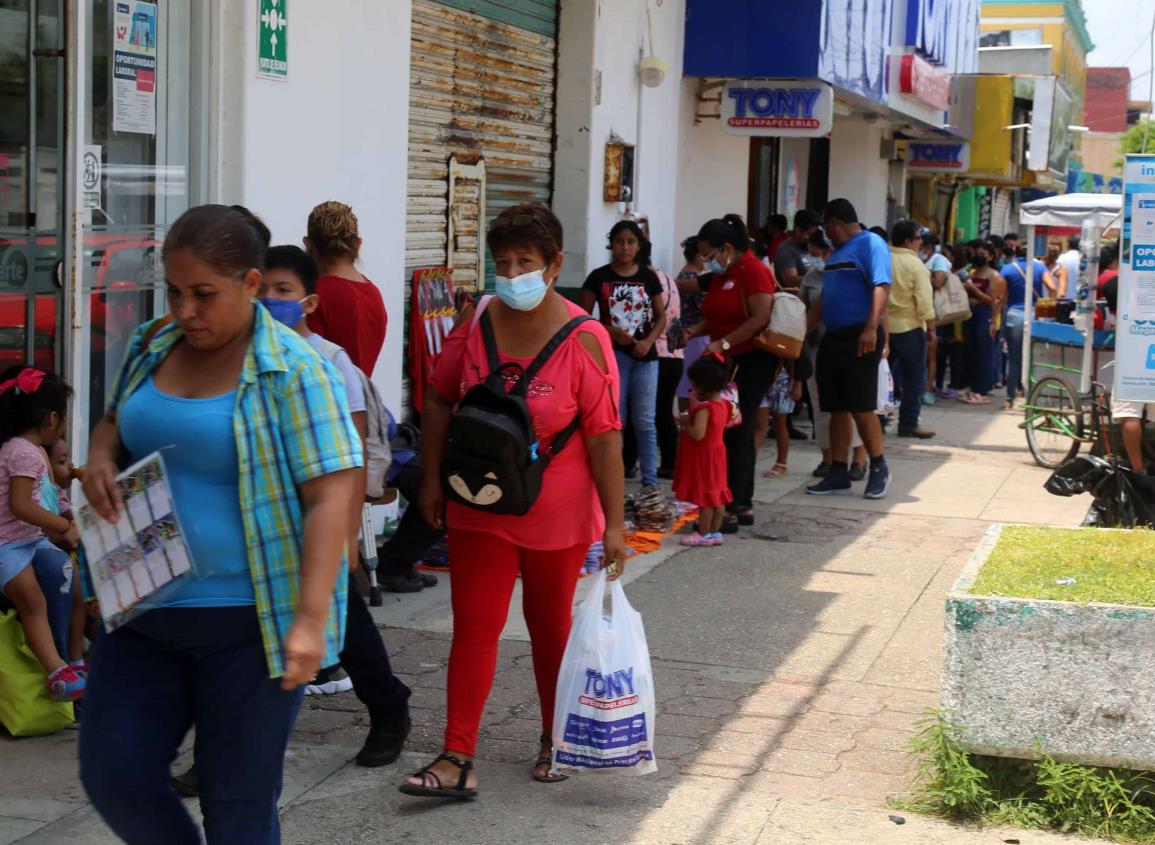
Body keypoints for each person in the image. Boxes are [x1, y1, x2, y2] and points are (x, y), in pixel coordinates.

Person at [78, 205, 362, 845]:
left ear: (252, 284)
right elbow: (113, 423)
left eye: (203, 295)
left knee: (237, 806)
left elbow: (331, 496)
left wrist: (311, 622)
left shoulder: (294, 370)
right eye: (175, 292)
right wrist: (99, 460)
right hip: (143, 606)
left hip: (250, 624)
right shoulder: (154, 344)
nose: (185, 311)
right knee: (114, 776)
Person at [404, 202, 625, 799]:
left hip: (560, 512)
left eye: (525, 261)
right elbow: (438, 397)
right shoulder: (475, 321)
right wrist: (429, 481)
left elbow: (606, 437)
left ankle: (556, 739)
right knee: (475, 625)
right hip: (480, 502)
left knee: (549, 625)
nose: (512, 273)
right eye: (503, 261)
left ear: (554, 264)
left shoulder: (587, 337)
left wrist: (618, 525)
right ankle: (457, 756)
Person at [258, 244, 413, 767]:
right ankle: (227, 743)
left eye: (284, 291)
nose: (270, 301)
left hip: (318, 521)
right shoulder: (248, 358)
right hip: (265, 521)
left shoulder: (329, 362)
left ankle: (389, 707)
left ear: (309, 302)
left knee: (345, 628)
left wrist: (345, 532)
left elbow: (348, 455)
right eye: (263, 291)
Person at [0, 368, 85, 702]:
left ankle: (75, 660)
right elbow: (21, 506)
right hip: (7, 544)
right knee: (33, 601)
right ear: (52, 419)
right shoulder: (22, 451)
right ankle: (57, 672)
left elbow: (47, 499)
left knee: (74, 583)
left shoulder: (30, 450)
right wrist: (64, 527)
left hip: (29, 540)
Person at [690, 215, 776, 532]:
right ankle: (732, 501)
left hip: (751, 360)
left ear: (727, 248)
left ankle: (736, 505)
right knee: (724, 430)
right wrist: (693, 332)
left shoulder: (754, 271)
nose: (706, 263)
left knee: (738, 430)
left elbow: (759, 317)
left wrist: (722, 342)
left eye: (709, 256)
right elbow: (717, 315)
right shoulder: (725, 273)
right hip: (726, 360)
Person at [805, 199, 892, 499]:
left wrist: (871, 327)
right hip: (835, 336)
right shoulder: (837, 255)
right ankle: (838, 471)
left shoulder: (871, 243)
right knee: (836, 407)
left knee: (861, 406)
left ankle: (879, 466)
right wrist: (801, 329)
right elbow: (826, 299)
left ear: (834, 222)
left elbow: (882, 286)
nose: (826, 234)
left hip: (861, 334)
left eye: (826, 227)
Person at [580, 220, 666, 491]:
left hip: (646, 357)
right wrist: (610, 332)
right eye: (619, 242)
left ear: (639, 245)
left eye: (631, 242)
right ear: (612, 244)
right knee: (616, 419)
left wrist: (649, 340)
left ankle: (650, 483)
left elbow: (661, 317)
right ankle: (612, 478)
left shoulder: (649, 277)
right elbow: (582, 318)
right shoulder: (598, 276)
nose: (625, 247)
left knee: (645, 421)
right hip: (611, 357)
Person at [802, 232, 867, 479]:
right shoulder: (812, 277)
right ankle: (828, 458)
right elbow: (806, 310)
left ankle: (859, 459)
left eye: (824, 253)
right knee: (821, 407)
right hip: (817, 347)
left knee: (853, 406)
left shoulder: (853, 275)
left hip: (850, 346)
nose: (820, 258)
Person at [305, 201, 387, 376]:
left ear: (309, 244)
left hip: (328, 401)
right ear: (357, 245)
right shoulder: (374, 294)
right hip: (362, 399)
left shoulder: (315, 296)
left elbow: (306, 365)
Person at [639, 215, 682, 480]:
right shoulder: (668, 279)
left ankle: (634, 461)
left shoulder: (644, 281)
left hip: (653, 353)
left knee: (644, 415)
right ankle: (670, 462)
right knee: (665, 411)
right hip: (676, 355)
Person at [674, 353, 732, 547]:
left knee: (705, 497)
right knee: (717, 495)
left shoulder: (704, 408)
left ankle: (702, 533)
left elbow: (697, 434)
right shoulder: (723, 404)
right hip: (718, 455)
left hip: (704, 457)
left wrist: (684, 422)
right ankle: (715, 532)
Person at [887, 221, 937, 439]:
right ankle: (908, 423)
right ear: (908, 241)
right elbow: (925, 301)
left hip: (884, 327)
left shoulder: (882, 258)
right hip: (909, 327)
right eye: (918, 238)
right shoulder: (916, 265)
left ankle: (878, 419)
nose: (921, 243)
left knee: (883, 377)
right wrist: (931, 327)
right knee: (914, 379)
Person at [999, 246, 1053, 410]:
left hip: (1014, 316)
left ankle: (1010, 398)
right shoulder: (1040, 267)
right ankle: (1031, 396)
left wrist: (995, 320)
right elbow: (1053, 287)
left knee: (1014, 359)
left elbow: (1001, 296)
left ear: (1016, 253)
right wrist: (1050, 306)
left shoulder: (1007, 269)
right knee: (1033, 357)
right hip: (1035, 315)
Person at [959, 242, 999, 405]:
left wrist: (974, 291)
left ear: (990, 256)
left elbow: (992, 301)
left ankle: (982, 389)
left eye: (983, 253)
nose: (979, 255)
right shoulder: (971, 272)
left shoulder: (993, 275)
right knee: (971, 352)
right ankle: (973, 387)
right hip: (970, 316)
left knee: (984, 353)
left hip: (984, 316)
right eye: (978, 252)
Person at [675, 236, 709, 412]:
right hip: (698, 339)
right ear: (699, 255)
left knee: (685, 388)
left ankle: (685, 425)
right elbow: (706, 311)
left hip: (684, 338)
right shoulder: (695, 279)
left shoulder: (682, 274)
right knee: (698, 388)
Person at [922, 235, 952, 406]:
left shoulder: (938, 260)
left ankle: (928, 389)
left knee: (930, 354)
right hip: (921, 312)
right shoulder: (919, 259)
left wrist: (921, 277)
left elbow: (939, 282)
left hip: (934, 312)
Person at [773, 210, 822, 291]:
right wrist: (822, 279)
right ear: (798, 230)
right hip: (797, 300)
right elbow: (791, 281)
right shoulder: (786, 250)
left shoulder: (813, 246)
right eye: (809, 234)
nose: (813, 239)